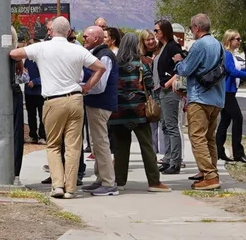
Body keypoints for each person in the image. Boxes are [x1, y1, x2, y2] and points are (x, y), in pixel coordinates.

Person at [14, 18, 96, 199]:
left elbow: (14, 53)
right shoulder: (78, 49)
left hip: (54, 101)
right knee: (73, 147)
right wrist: (87, 86)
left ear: (50, 32)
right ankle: (71, 188)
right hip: (75, 99)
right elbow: (100, 67)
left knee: (53, 145)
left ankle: (58, 185)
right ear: (68, 32)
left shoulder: (42, 47)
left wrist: (20, 61)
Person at [108, 31, 167, 191]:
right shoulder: (142, 62)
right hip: (139, 111)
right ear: (136, 45)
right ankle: (154, 182)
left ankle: (119, 182)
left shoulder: (113, 63)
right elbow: (149, 83)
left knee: (120, 149)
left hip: (118, 112)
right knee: (147, 146)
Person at [175, 14, 229, 189]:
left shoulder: (199, 45)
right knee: (209, 138)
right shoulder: (218, 44)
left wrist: (178, 62)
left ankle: (210, 176)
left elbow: (186, 69)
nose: (191, 31)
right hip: (217, 97)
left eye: (191, 28)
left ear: (197, 28)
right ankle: (210, 170)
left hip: (200, 97)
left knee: (197, 136)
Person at [79, 26, 119, 194]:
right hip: (95, 103)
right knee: (97, 143)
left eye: (86, 36)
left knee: (101, 143)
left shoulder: (105, 56)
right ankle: (101, 178)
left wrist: (82, 88)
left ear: (96, 38)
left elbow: (100, 85)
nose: (83, 38)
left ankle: (109, 183)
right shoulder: (97, 54)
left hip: (100, 104)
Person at [152, 18, 184, 176]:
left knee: (171, 126)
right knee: (164, 125)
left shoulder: (173, 47)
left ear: (164, 30)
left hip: (169, 91)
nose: (155, 33)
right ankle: (168, 157)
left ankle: (175, 161)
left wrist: (169, 82)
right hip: (160, 91)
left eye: (157, 30)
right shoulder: (161, 47)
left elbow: (181, 67)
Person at [216, 32, 246, 164]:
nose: (240, 41)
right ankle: (238, 153)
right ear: (230, 40)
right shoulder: (227, 54)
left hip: (228, 92)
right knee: (238, 119)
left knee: (225, 121)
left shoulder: (231, 55)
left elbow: (236, 69)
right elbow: (232, 72)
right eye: (238, 39)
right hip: (227, 92)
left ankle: (219, 151)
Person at [20, 31, 46, 144]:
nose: (27, 47)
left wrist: (35, 82)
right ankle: (33, 135)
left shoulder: (42, 60)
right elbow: (24, 72)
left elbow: (46, 75)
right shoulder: (27, 60)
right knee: (31, 115)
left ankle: (42, 136)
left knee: (42, 116)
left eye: (30, 45)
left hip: (40, 92)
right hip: (29, 92)